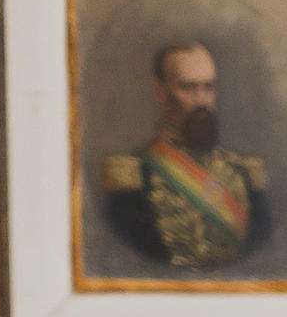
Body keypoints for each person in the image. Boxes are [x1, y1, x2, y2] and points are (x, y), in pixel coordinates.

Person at [97, 42, 272, 272]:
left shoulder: (245, 173)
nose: (202, 100)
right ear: (161, 92)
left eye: (208, 87)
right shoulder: (132, 176)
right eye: (188, 88)